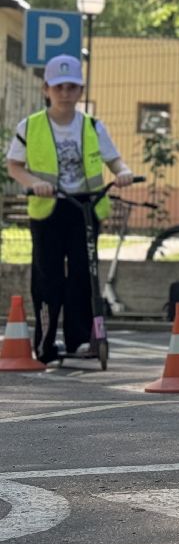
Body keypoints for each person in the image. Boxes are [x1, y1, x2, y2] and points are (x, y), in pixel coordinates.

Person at [5, 54, 135, 363]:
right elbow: (14, 165)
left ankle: (79, 340)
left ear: (81, 91)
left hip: (84, 209)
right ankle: (46, 344)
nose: (65, 93)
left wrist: (123, 172)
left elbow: (114, 160)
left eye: (72, 87)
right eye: (59, 87)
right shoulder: (31, 126)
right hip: (49, 209)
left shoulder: (92, 126)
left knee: (82, 276)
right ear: (46, 89)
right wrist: (35, 182)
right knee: (48, 278)